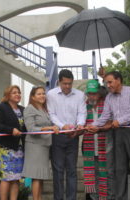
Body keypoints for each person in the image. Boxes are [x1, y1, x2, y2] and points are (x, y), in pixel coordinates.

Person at [87, 71, 130, 200]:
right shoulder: (109, 97)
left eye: (110, 82)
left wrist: (120, 121)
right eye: (106, 83)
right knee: (120, 168)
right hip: (117, 133)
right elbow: (105, 116)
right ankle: (120, 197)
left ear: (118, 80)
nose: (108, 85)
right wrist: (94, 125)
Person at [47, 69, 87, 200]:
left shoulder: (80, 95)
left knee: (72, 170)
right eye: (65, 83)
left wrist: (80, 124)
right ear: (59, 82)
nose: (68, 86)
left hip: (73, 136)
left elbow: (81, 112)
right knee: (58, 171)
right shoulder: (51, 94)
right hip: (58, 135)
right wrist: (62, 126)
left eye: (70, 83)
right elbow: (51, 114)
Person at [22, 86, 59, 200]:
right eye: (39, 94)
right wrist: (49, 128)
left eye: (43, 93)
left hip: (44, 146)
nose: (42, 95)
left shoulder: (44, 109)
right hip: (34, 146)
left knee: (40, 176)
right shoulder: (29, 108)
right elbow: (31, 129)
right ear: (33, 96)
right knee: (36, 177)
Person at [0, 85, 26, 200]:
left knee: (16, 178)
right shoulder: (0, 107)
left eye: (19, 92)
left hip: (19, 149)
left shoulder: (23, 109)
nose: (17, 94)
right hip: (6, 149)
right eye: (14, 92)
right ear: (7, 95)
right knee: (6, 178)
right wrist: (11, 130)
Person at [82, 80, 111, 200]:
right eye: (89, 93)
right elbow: (80, 123)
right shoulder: (84, 106)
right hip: (89, 147)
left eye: (94, 93)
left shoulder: (106, 105)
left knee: (106, 175)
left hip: (105, 146)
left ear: (99, 93)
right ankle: (94, 198)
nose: (91, 96)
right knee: (92, 176)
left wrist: (99, 129)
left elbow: (110, 123)